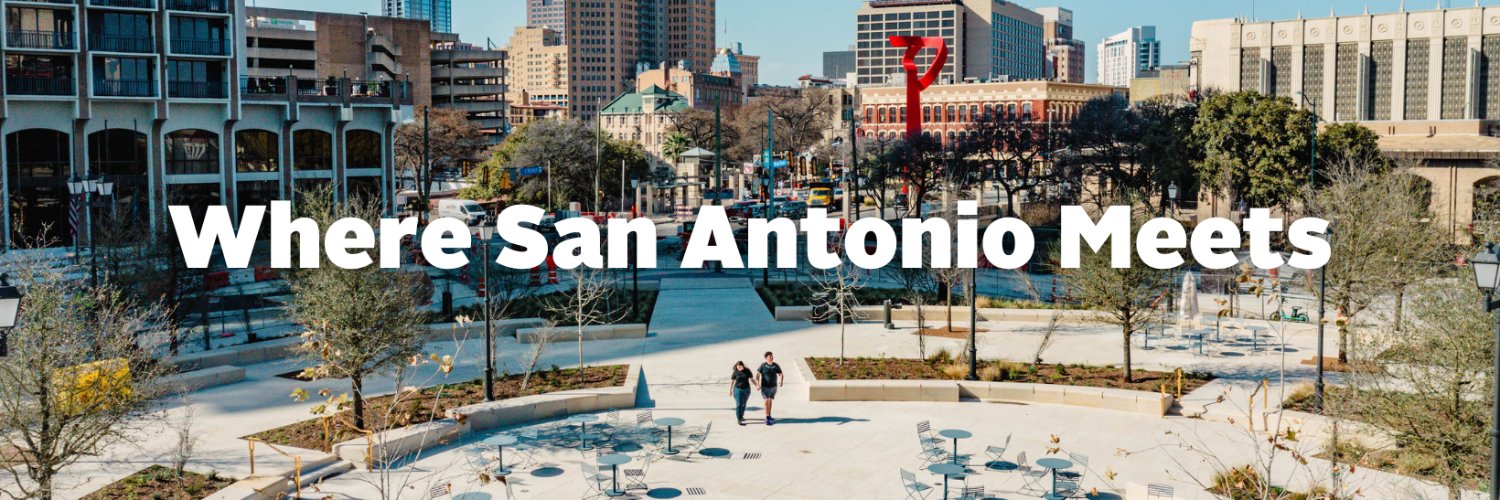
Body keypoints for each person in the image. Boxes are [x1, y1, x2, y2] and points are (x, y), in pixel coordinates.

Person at [755, 351, 784, 425]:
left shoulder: (775, 365)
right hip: (765, 386)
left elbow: (780, 373)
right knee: (766, 400)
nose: (771, 357)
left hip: (773, 387)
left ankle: (769, 415)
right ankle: (767, 417)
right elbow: (757, 375)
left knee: (770, 400)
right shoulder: (763, 365)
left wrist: (781, 381)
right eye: (769, 356)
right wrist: (757, 384)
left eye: (772, 356)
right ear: (766, 358)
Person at [730, 361, 756, 426]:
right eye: (738, 367)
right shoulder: (735, 372)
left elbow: (752, 379)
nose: (739, 368)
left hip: (747, 390)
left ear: (743, 366)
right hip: (738, 390)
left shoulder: (747, 371)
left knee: (744, 403)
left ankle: (741, 416)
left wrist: (757, 385)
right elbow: (732, 381)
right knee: (739, 403)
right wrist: (730, 390)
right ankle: (739, 419)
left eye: (740, 367)